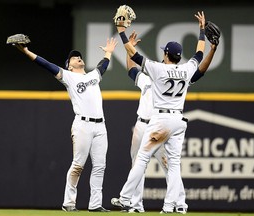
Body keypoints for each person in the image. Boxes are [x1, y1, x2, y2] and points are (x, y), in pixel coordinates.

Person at [111, 11, 206, 213]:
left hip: (161, 119)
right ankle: (170, 207)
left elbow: (133, 55)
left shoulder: (158, 70)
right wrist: (202, 31)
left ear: (166, 54)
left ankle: (125, 198)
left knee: (142, 159)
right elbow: (199, 54)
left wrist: (121, 31)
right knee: (173, 165)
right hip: (179, 121)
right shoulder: (187, 69)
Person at [12, 37, 118, 212]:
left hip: (101, 126)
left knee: (100, 165)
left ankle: (95, 204)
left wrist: (109, 52)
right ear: (69, 65)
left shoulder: (93, 76)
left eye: (79, 56)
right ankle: (69, 203)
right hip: (83, 125)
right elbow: (46, 64)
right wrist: (25, 51)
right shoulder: (67, 76)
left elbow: (103, 65)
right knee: (78, 165)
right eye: (74, 57)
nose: (78, 58)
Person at [125, 31, 218, 214]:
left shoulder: (157, 71)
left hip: (158, 124)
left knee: (166, 166)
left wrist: (130, 48)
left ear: (165, 56)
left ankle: (179, 203)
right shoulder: (150, 76)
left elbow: (135, 64)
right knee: (148, 165)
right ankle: (135, 206)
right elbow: (131, 70)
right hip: (146, 124)